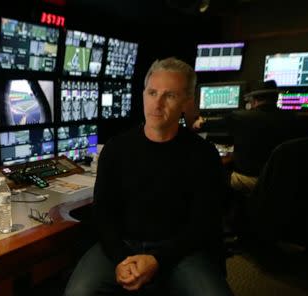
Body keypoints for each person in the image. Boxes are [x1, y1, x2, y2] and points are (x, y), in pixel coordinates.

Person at [64, 57, 232, 296]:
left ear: (186, 102)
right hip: (122, 247)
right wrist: (122, 259)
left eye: (170, 95)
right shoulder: (116, 149)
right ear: (143, 94)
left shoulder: (204, 154)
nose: (158, 103)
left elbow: (204, 223)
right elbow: (102, 213)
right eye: (152, 92)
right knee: (78, 293)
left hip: (180, 251)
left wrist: (157, 259)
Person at [193, 80, 302, 194]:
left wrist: (201, 122)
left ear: (254, 100)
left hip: (250, 181)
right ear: (276, 97)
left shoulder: (239, 117)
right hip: (282, 181)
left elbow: (202, 126)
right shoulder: (293, 118)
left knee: (210, 171)